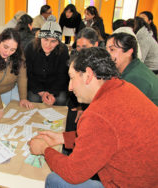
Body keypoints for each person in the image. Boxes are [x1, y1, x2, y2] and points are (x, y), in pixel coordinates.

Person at [29, 47, 158, 188]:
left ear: (88, 75)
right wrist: (64, 138)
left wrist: (44, 149)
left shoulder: (97, 114)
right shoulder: (124, 87)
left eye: (72, 78)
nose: (70, 87)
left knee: (54, 180)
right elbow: (104, 139)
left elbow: (73, 173)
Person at [25, 19, 69, 106]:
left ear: (58, 42)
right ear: (40, 38)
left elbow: (63, 75)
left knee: (61, 100)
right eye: (45, 39)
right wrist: (42, 93)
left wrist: (51, 93)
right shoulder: (30, 48)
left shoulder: (63, 50)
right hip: (35, 85)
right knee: (33, 99)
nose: (48, 45)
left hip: (55, 85)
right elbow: (27, 73)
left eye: (53, 41)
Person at [106, 32, 158, 105]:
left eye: (112, 50)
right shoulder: (136, 67)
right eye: (106, 50)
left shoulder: (134, 78)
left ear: (129, 52)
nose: (107, 55)